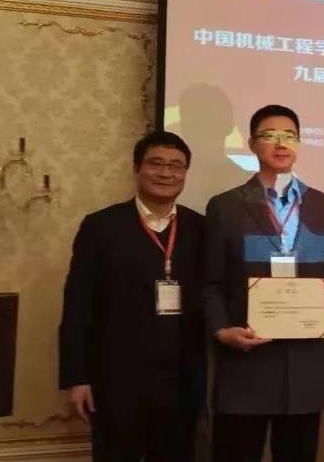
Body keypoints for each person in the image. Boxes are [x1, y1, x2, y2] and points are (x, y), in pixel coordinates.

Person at [203, 104, 324, 462]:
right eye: (269, 135)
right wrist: (221, 331)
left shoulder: (323, 204)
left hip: (306, 362)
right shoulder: (225, 206)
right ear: (252, 145)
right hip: (248, 361)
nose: (281, 143)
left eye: (289, 136)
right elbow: (210, 282)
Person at [59, 131, 205, 461]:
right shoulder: (100, 227)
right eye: (156, 164)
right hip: (115, 381)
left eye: (176, 166)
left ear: (185, 173)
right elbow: (78, 306)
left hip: (181, 384)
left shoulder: (201, 228)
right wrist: (77, 378)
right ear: (137, 168)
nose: (166, 173)